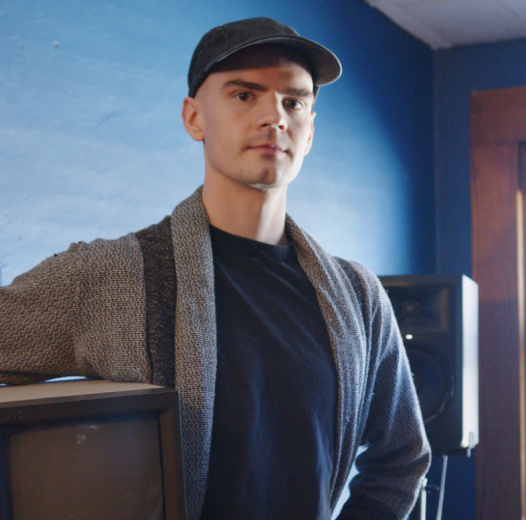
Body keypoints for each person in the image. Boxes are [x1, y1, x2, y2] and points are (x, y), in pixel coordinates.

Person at [0, 17, 430, 520]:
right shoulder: (110, 276)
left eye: (293, 102)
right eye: (244, 95)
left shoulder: (358, 297)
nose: (274, 116)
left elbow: (402, 458)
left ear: (310, 130)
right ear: (194, 118)